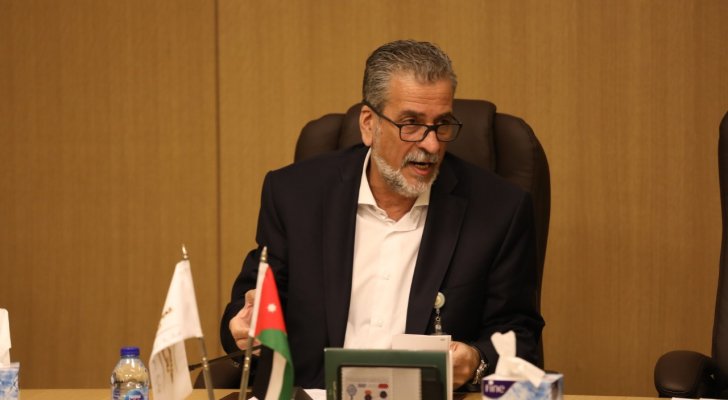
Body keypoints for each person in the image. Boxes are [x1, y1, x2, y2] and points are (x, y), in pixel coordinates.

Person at [220, 39, 544, 391]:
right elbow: (248, 306)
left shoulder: (499, 210)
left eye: (442, 124)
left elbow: (519, 335)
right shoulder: (294, 195)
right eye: (411, 124)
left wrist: (476, 360)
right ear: (368, 124)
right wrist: (242, 327)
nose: (432, 145)